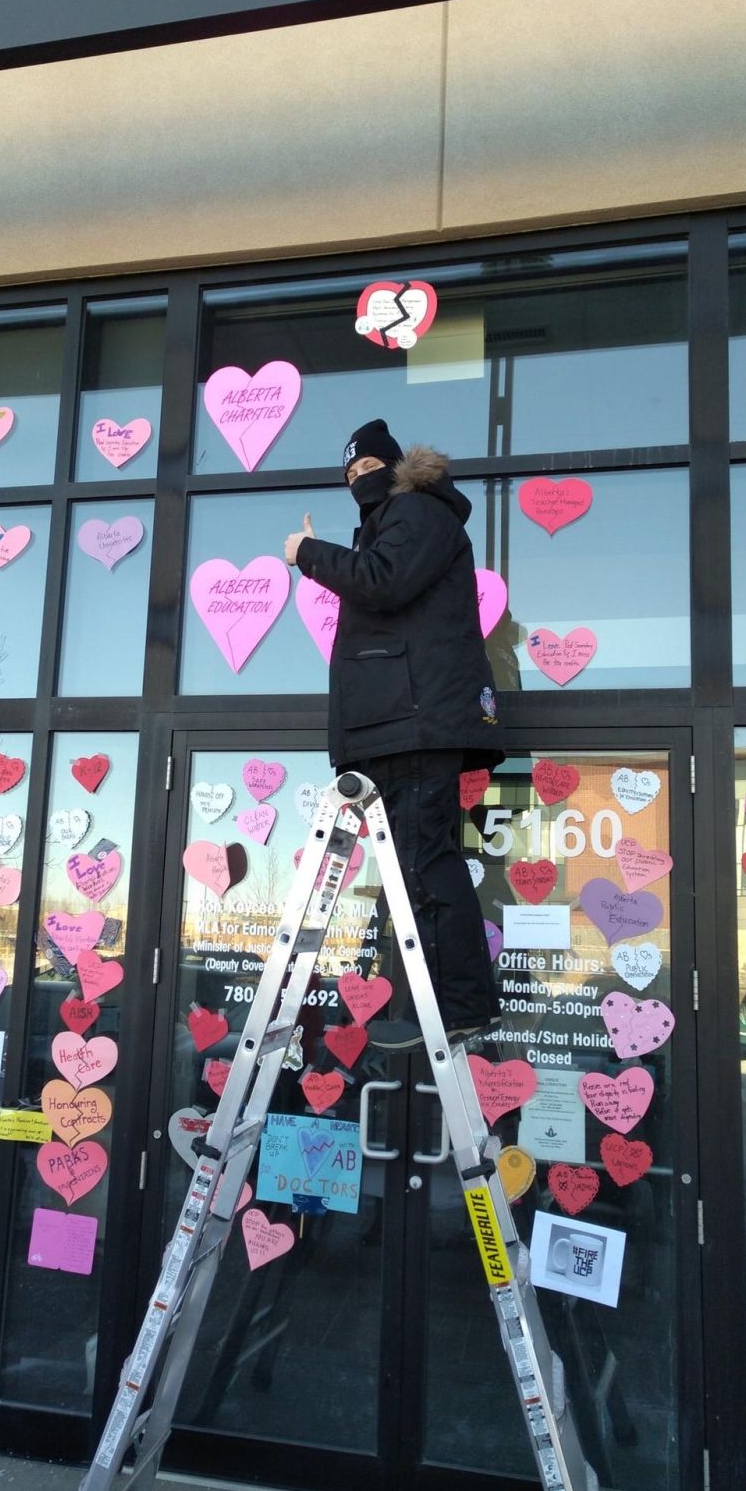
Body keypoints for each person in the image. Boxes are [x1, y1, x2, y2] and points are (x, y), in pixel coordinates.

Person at [284, 418, 504, 1048]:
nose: (360, 481)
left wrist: (309, 556)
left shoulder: (417, 513)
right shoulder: (403, 519)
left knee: (422, 865)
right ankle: (449, 1003)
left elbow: (380, 582)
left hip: (414, 721)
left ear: (394, 466)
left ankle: (454, 1007)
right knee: (416, 867)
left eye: (367, 469)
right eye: (350, 476)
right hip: (403, 721)